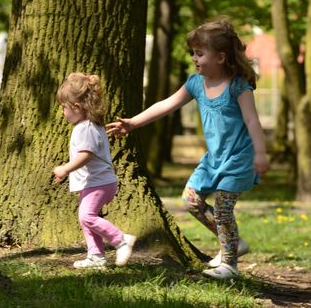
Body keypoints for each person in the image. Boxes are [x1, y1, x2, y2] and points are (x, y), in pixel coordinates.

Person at [107, 19, 269, 279]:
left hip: (240, 158)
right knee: (191, 201)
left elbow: (252, 120)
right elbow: (166, 104)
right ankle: (234, 243)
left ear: (220, 57)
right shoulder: (196, 83)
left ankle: (229, 265)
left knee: (223, 208)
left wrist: (261, 153)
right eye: (193, 52)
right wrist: (133, 123)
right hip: (214, 159)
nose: (194, 58)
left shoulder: (239, 86)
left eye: (200, 53)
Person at [53, 72, 136, 269]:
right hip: (94, 183)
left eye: (64, 108)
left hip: (99, 183)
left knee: (86, 216)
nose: (63, 112)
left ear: (77, 107)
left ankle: (121, 240)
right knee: (87, 219)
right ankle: (96, 256)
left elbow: (86, 155)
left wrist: (65, 168)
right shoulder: (89, 125)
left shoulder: (86, 128)